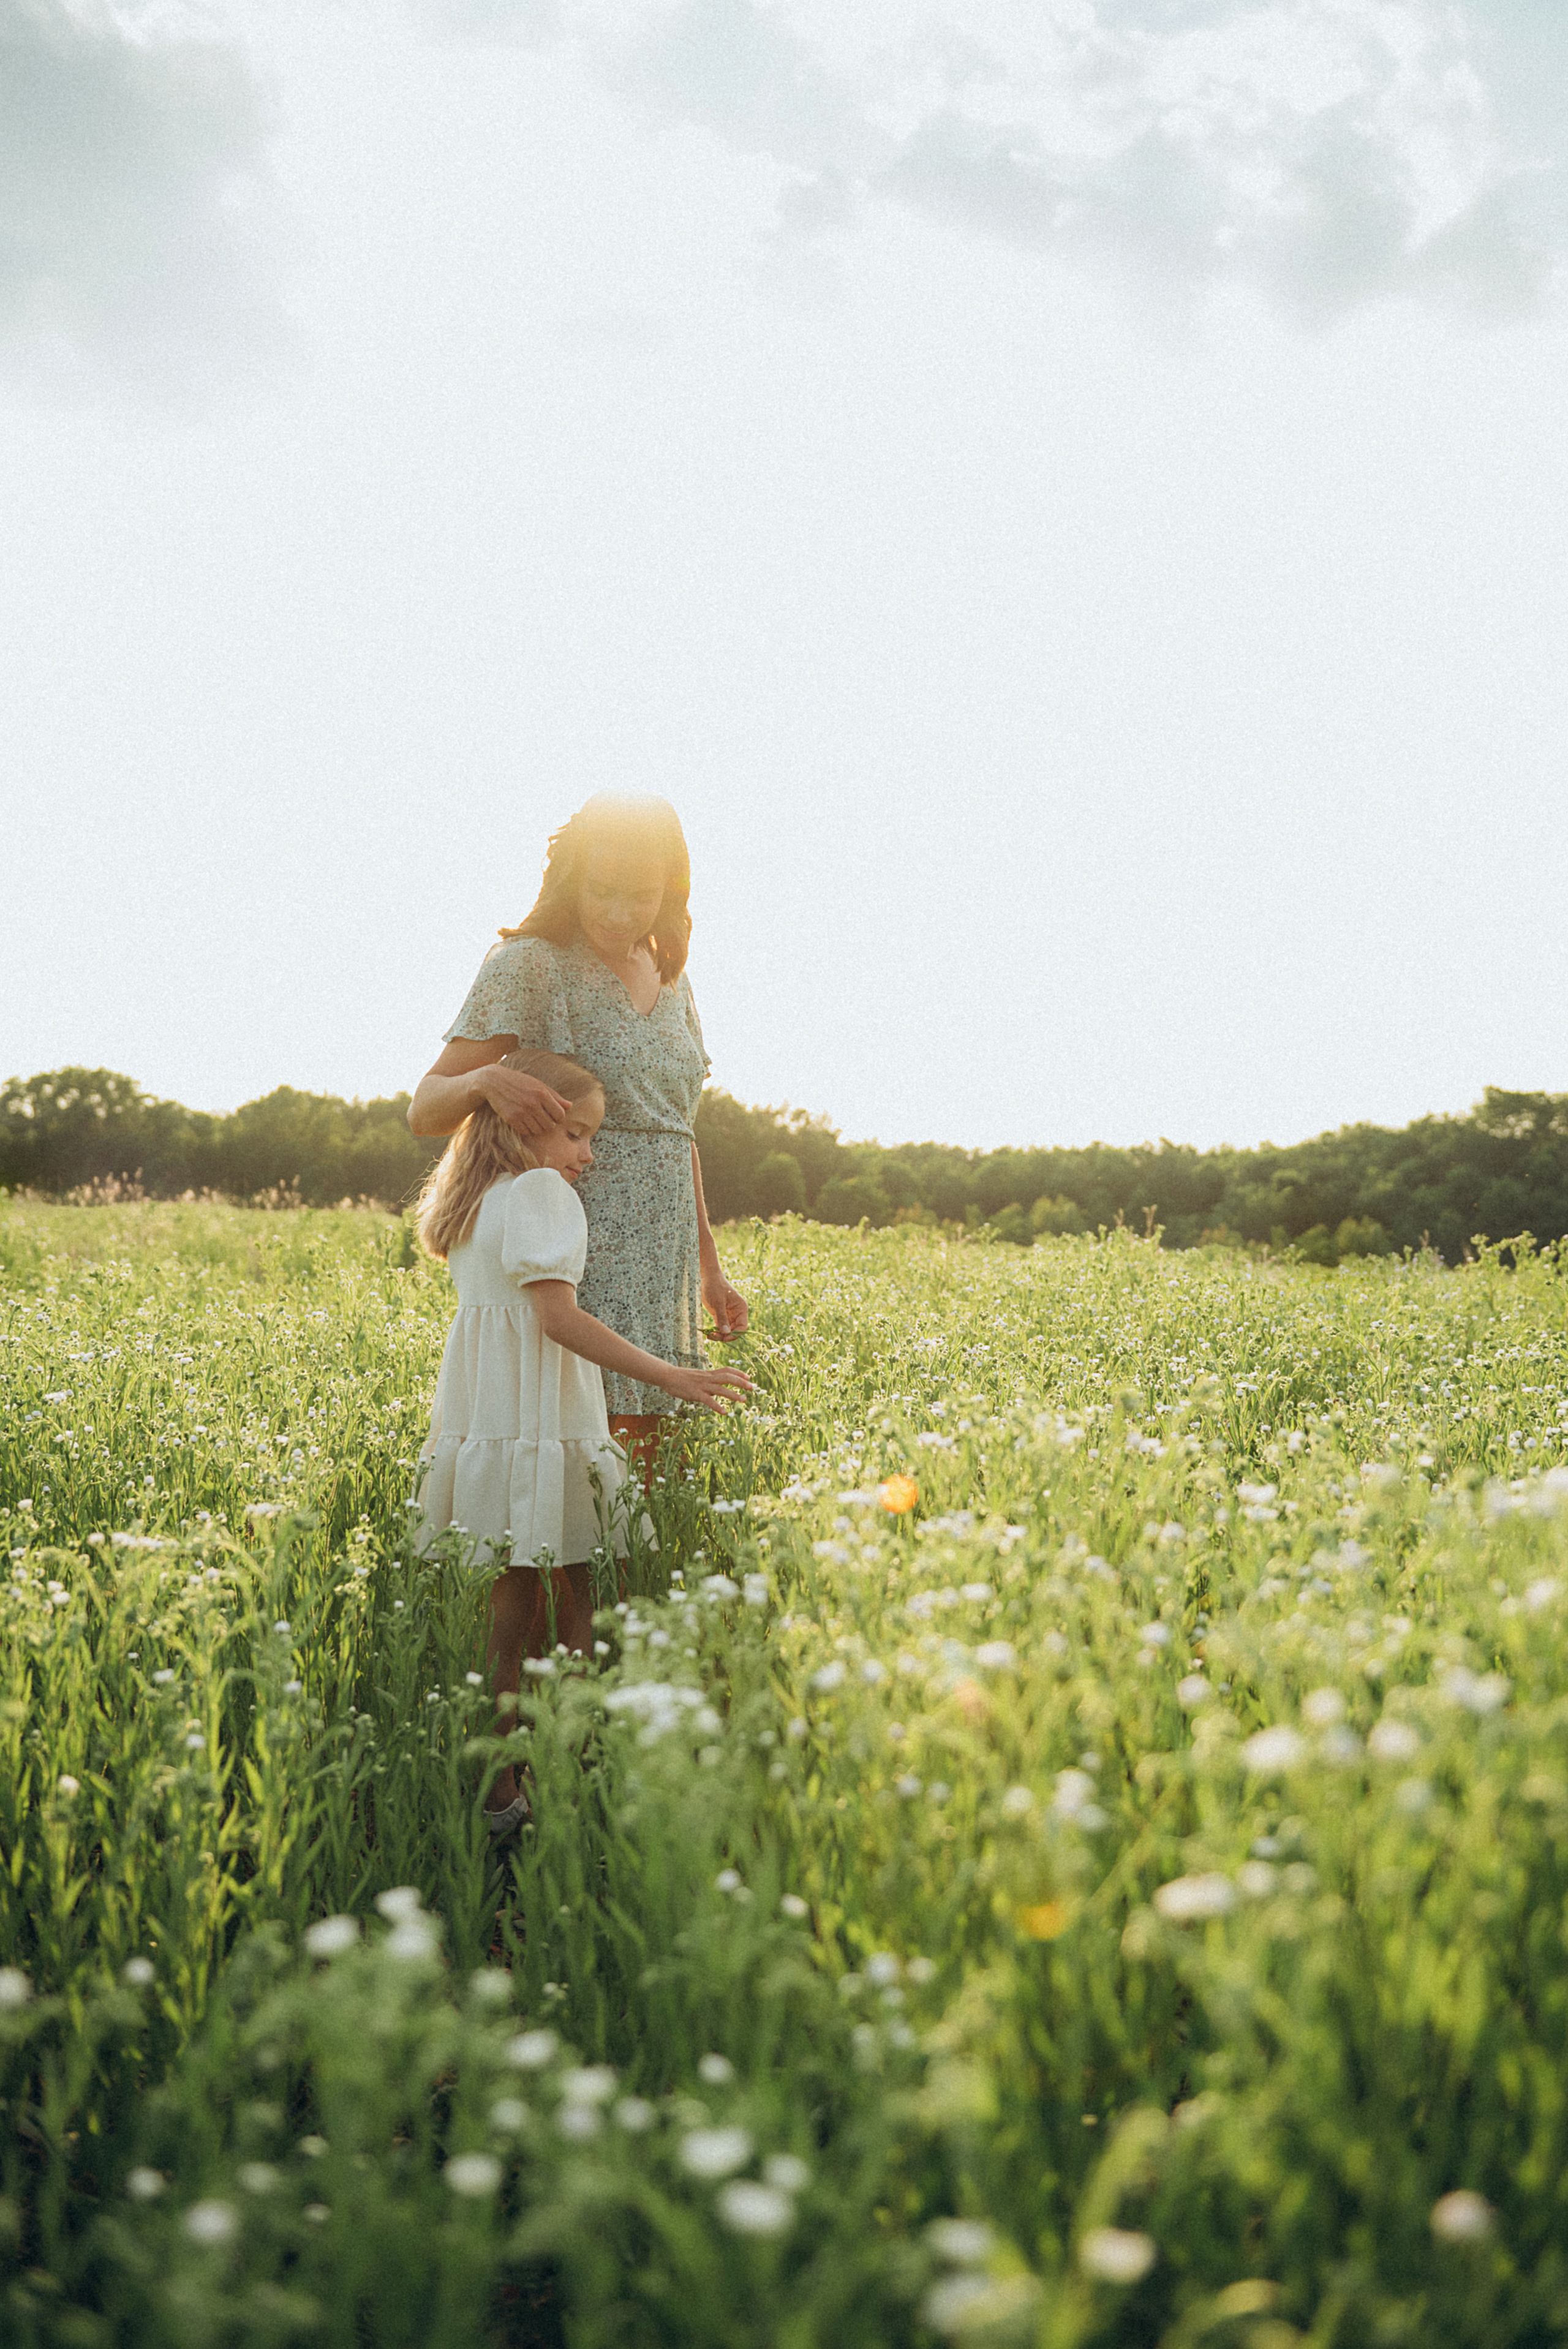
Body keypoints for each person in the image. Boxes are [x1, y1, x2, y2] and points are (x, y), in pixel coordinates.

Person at [413, 1047, 751, 1838]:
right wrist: (671, 1375)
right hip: (543, 1414)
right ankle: (573, 1771)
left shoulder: (478, 1198)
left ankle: (505, 1791)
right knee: (582, 1595)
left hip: (496, 1413)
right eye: (575, 1132)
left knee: (516, 1605)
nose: (587, 1154)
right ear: (526, 1124)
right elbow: (557, 1318)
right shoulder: (540, 1192)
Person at [409, 793, 748, 1486]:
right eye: (603, 890)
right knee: (576, 1456)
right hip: (570, 1234)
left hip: (664, 1254)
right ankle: (570, 1594)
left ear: (670, 892)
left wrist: (708, 1265)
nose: (620, 912)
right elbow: (424, 1107)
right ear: (573, 879)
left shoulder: (673, 978)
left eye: (641, 895)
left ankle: (636, 1596)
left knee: (648, 1469)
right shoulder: (529, 964)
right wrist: (483, 1085)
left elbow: (675, 1127)